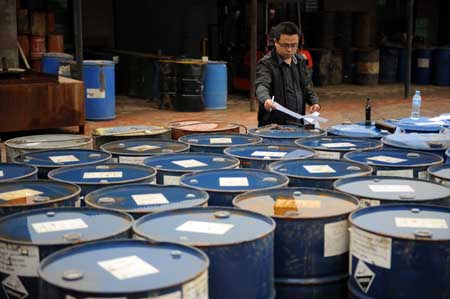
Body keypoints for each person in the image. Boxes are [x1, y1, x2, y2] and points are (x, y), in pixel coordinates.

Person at [255, 21, 320, 127]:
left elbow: (307, 85)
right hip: (273, 126)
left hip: (297, 123)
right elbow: (262, 85)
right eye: (285, 45)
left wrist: (314, 102)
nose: (289, 49)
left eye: (294, 45)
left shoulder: (300, 61)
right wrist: (266, 100)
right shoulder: (266, 64)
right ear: (276, 42)